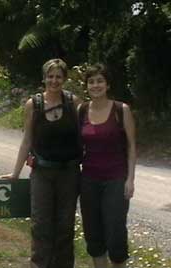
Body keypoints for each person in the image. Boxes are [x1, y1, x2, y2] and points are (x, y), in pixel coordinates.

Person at [1, 58, 82, 268]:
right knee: (41, 226)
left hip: (69, 173)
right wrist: (15, 172)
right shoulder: (33, 105)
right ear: (44, 78)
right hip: (42, 173)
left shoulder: (74, 103)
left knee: (65, 226)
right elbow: (27, 139)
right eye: (50, 76)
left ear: (65, 79)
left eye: (58, 76)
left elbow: (88, 136)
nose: (54, 81)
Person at [79, 63, 136, 268]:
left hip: (116, 179)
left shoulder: (121, 110)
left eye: (100, 81)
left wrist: (130, 179)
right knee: (93, 233)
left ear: (108, 84)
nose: (96, 85)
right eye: (91, 81)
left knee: (115, 233)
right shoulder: (82, 110)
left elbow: (131, 146)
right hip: (89, 180)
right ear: (86, 86)